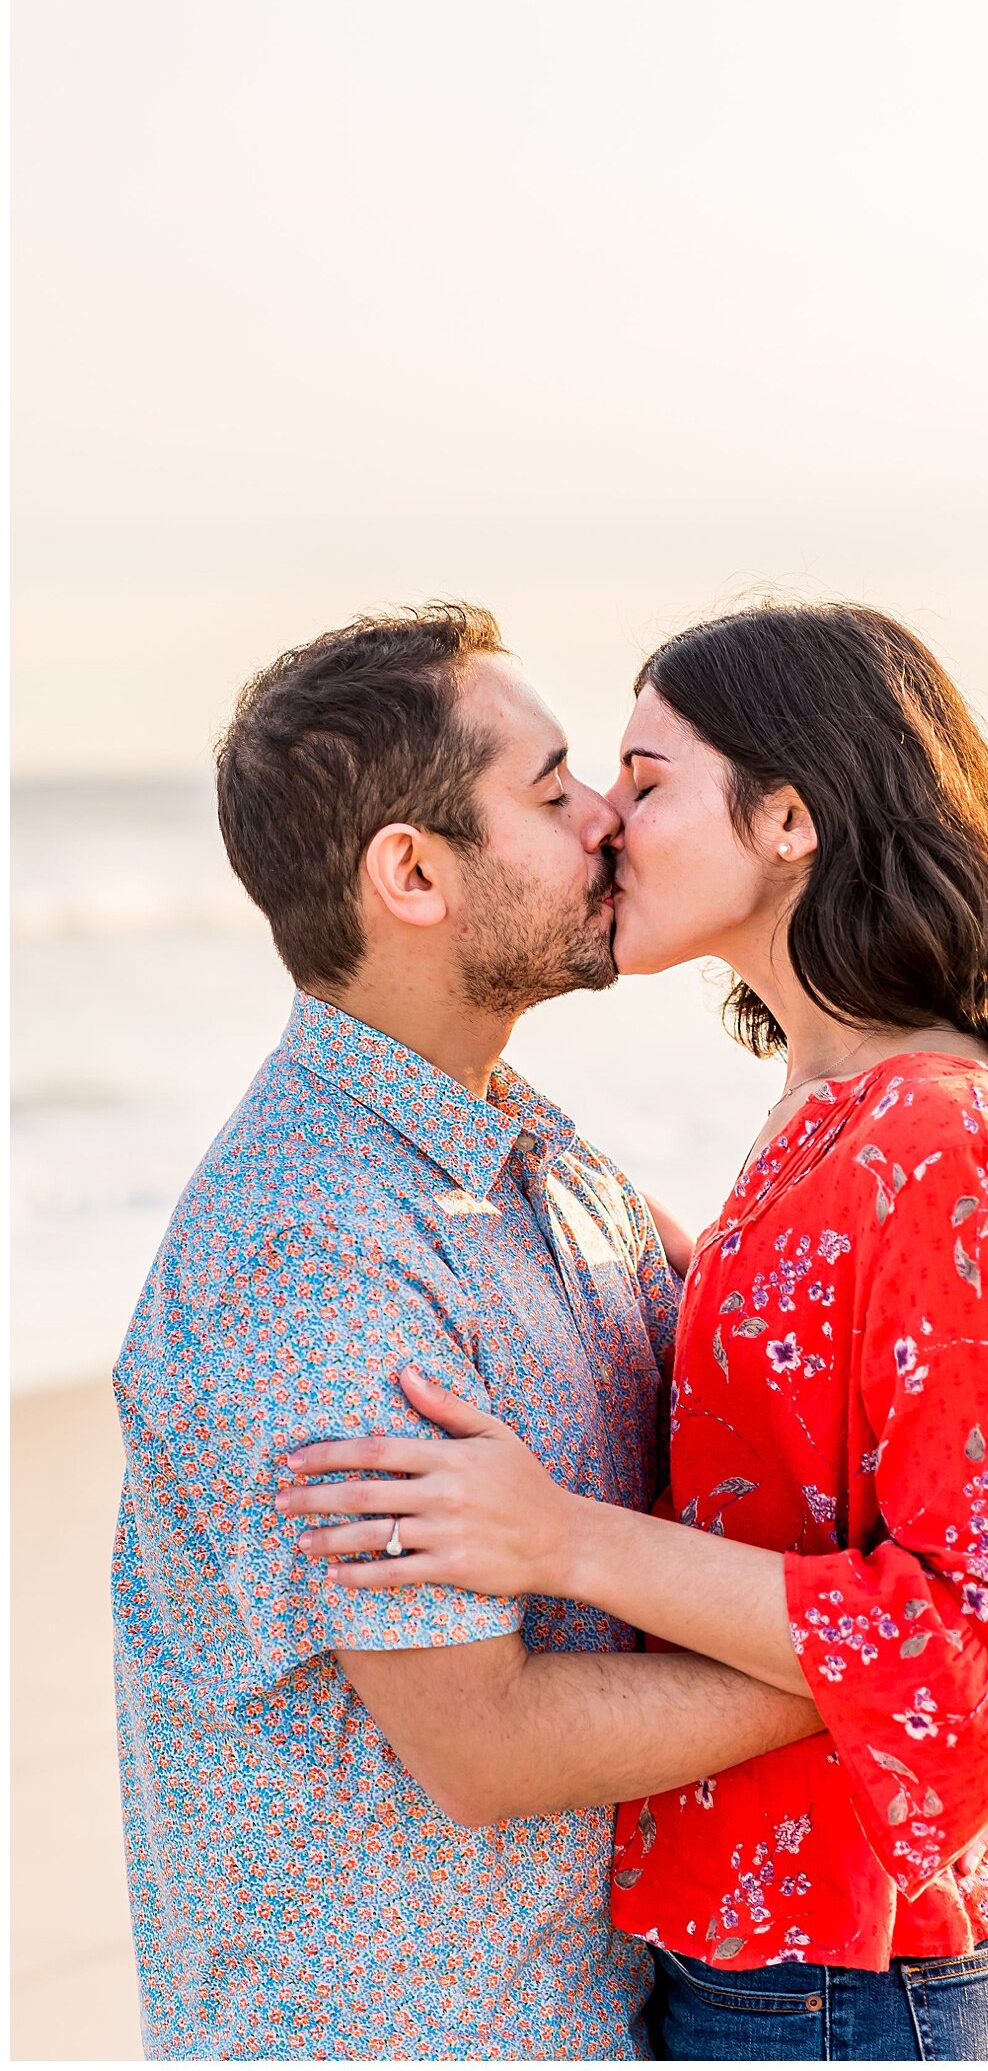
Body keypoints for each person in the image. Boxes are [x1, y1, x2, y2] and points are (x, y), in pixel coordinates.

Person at [276, 600, 988, 2062]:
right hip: (754, 1945)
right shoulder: (831, 1110)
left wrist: (560, 1542)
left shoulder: (947, 1140)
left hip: (852, 1965)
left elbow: (978, 1642)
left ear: (789, 816)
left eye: (646, 779)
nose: (606, 824)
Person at [110, 602, 824, 2061]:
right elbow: (481, 1742)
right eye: (554, 788)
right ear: (414, 872)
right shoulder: (312, 1254)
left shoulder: (518, 1144)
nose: (606, 817)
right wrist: (864, 1675)